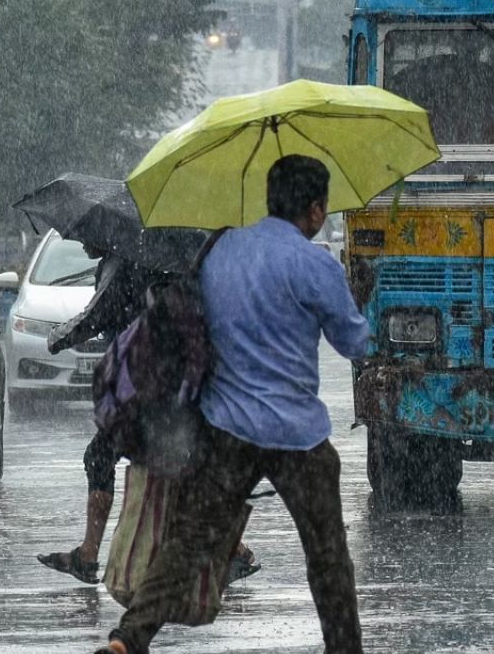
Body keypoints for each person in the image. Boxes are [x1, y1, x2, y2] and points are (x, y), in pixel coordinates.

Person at [98, 155, 371, 654]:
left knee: (187, 543)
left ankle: (129, 637)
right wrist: (360, 298)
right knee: (328, 556)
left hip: (226, 430)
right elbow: (355, 344)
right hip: (298, 437)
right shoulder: (314, 265)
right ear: (313, 210)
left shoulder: (219, 250)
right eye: (323, 210)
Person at [36, 245, 260, 586]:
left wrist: (56, 339)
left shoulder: (123, 263)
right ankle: (235, 551)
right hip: (176, 383)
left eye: (87, 236)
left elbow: (97, 314)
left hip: (145, 387)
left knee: (103, 457)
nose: (82, 243)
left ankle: (88, 555)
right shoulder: (177, 260)